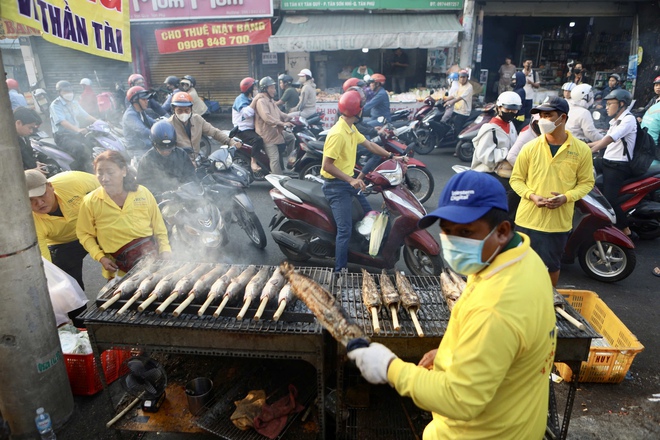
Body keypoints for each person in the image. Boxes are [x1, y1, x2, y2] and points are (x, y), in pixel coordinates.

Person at [348, 170, 557, 440]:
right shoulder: (523, 258)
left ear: (502, 231)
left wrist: (390, 367)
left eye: (466, 231)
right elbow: (506, 344)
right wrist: (452, 351)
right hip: (517, 422)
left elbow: (459, 399)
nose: (452, 240)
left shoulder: (495, 308)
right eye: (446, 230)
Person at [321, 90, 406, 280]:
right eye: (361, 106)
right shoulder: (337, 134)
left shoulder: (350, 128)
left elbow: (369, 145)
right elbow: (327, 165)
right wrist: (351, 180)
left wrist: (392, 156)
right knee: (345, 230)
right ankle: (339, 271)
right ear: (357, 111)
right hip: (336, 186)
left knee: (371, 215)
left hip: (348, 182)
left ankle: (366, 252)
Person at [510, 96, 594, 286]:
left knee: (551, 267)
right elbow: (516, 180)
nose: (542, 120)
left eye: (548, 115)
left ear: (562, 118)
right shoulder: (529, 148)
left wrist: (567, 197)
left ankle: (547, 304)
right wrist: (531, 196)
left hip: (557, 225)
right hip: (526, 220)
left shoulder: (581, 150)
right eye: (540, 116)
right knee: (519, 267)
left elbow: (586, 183)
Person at [77, 150, 171, 279]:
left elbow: (159, 227)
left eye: (110, 172)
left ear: (124, 171)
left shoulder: (143, 193)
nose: (105, 178)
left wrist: (165, 249)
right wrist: (101, 257)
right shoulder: (90, 202)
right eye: (100, 173)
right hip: (118, 272)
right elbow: (84, 234)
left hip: (151, 263)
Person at [25, 169, 99, 291]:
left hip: (94, 228)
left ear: (50, 186)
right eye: (30, 200)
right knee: (68, 285)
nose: (39, 203)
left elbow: (110, 187)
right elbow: (45, 262)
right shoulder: (30, 221)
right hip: (63, 243)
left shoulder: (72, 181)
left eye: (42, 194)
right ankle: (78, 309)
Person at [588, 89, 638, 239]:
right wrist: (583, 145)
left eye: (610, 104)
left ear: (622, 104)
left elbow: (610, 138)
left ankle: (625, 228)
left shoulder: (628, 119)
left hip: (618, 166)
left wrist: (591, 151)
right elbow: (603, 140)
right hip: (606, 161)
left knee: (609, 198)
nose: (607, 107)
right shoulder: (615, 120)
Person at [471, 91, 522, 218]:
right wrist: (506, 153)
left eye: (514, 110)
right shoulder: (489, 129)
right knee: (515, 189)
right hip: (488, 171)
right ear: (499, 107)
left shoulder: (510, 125)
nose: (511, 112)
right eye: (508, 109)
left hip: (504, 168)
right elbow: (484, 155)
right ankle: (503, 219)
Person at [168, 91, 241, 157]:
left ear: (191, 109)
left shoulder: (197, 119)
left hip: (196, 160)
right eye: (179, 110)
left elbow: (214, 132)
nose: (183, 113)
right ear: (174, 110)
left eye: (186, 110)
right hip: (178, 164)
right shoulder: (169, 125)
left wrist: (230, 141)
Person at [137, 120, 196, 196]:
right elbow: (144, 185)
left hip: (183, 195)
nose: (166, 151)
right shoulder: (146, 160)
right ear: (154, 145)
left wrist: (186, 189)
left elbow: (191, 175)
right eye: (162, 149)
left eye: (169, 149)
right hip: (161, 200)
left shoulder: (181, 154)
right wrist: (161, 196)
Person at [49, 80, 97, 172]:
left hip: (75, 134)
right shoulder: (55, 105)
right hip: (62, 136)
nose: (69, 94)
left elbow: (86, 115)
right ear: (59, 92)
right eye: (65, 91)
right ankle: (79, 172)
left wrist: (99, 122)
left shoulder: (74, 103)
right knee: (78, 148)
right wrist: (77, 129)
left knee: (92, 144)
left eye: (70, 91)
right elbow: (63, 121)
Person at [251, 77, 295, 174]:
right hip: (267, 135)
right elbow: (267, 117)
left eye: (274, 88)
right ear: (264, 89)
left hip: (275, 132)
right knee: (274, 159)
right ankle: (278, 183)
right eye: (272, 88)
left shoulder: (270, 100)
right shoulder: (261, 101)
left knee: (291, 138)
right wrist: (282, 123)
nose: (274, 90)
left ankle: (290, 161)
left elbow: (280, 113)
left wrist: (293, 117)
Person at [232, 77, 266, 173]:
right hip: (242, 130)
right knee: (258, 140)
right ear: (249, 89)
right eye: (254, 87)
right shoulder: (240, 99)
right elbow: (247, 113)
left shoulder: (250, 98)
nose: (256, 89)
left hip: (251, 128)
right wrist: (255, 100)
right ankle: (253, 162)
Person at [122, 86, 155, 155]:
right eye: (143, 99)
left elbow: (153, 123)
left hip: (146, 145)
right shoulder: (130, 115)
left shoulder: (141, 112)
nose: (147, 102)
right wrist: (158, 134)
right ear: (135, 100)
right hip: (136, 150)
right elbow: (142, 130)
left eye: (147, 99)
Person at [14, 107, 49, 173]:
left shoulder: (24, 137)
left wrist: (36, 163)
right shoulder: (8, 144)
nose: (31, 131)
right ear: (18, 123)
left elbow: (28, 156)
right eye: (30, 127)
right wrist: (33, 171)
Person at [445, 70, 473, 137]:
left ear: (467, 78)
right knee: (449, 123)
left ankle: (457, 142)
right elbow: (454, 95)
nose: (462, 79)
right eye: (461, 77)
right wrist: (445, 100)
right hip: (456, 110)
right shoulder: (459, 85)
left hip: (464, 112)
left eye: (464, 77)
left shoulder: (469, 87)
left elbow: (461, 97)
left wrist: (451, 102)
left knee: (458, 127)